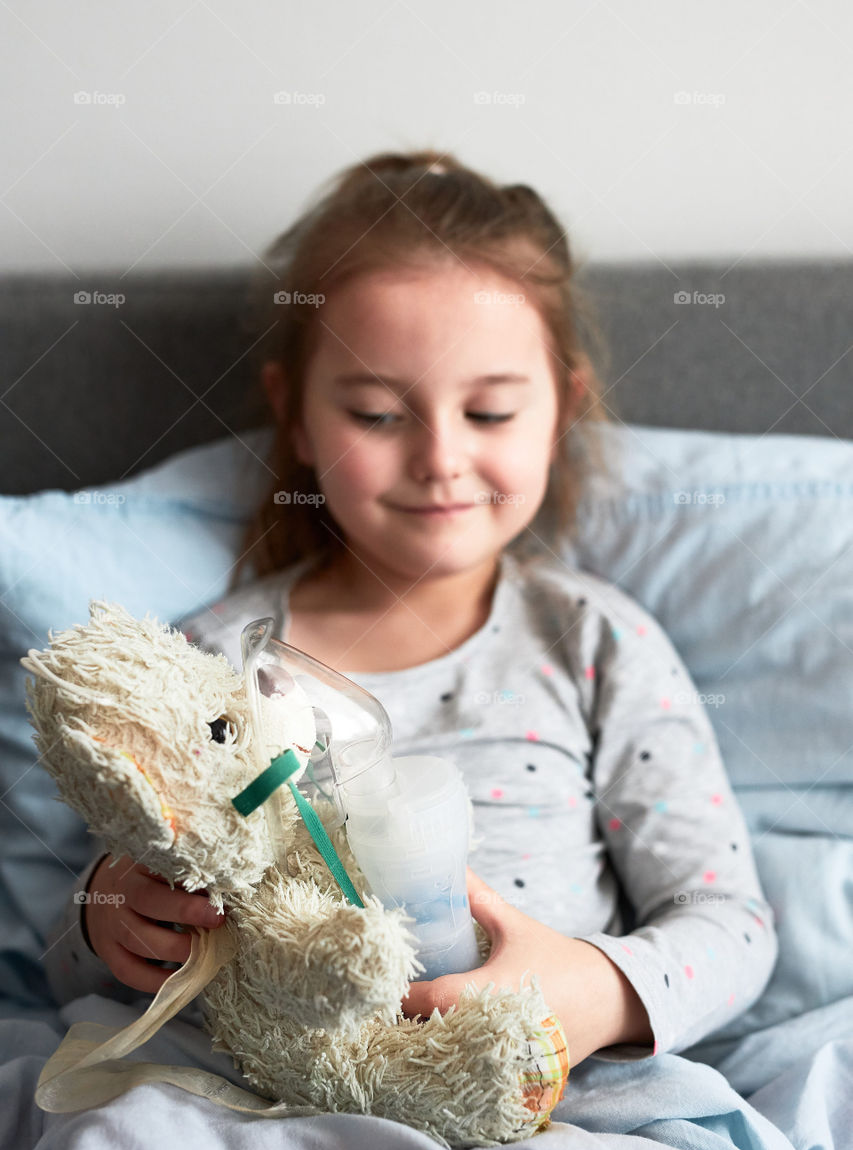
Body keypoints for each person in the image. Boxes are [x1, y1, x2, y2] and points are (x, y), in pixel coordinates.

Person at [44, 150, 778, 1069]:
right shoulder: (212, 661)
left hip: (544, 1098)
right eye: (380, 416)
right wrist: (110, 913)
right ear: (299, 420)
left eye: (490, 414)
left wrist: (595, 993)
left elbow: (731, 927)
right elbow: (67, 974)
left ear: (561, 409)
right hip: (266, 1102)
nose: (439, 458)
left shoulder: (594, 643)